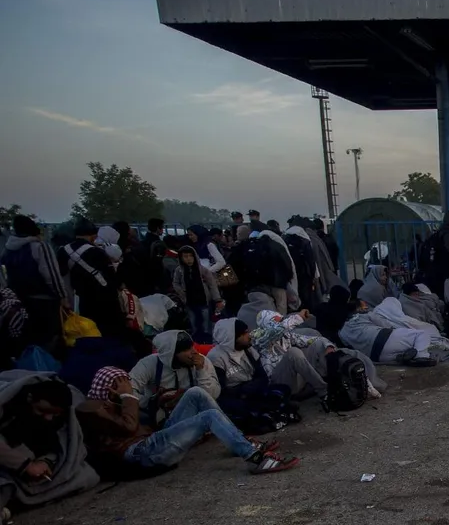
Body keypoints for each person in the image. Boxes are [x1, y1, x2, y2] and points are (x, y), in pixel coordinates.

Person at [77, 366, 297, 474]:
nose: (128, 386)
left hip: (151, 441)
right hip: (142, 453)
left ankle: (239, 441)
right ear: (109, 388)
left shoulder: (113, 403)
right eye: (121, 382)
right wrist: (127, 397)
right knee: (208, 417)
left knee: (195, 393)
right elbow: (130, 426)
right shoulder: (94, 409)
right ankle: (254, 459)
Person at [0, 373, 100, 509]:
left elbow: (62, 444)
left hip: (35, 464)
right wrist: (26, 465)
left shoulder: (58, 417)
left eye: (54, 414)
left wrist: (45, 461)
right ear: (30, 399)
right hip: (9, 465)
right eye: (42, 411)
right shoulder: (9, 403)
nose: (48, 418)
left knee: (88, 476)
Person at [2, 214, 69, 354]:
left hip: (17, 303)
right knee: (48, 342)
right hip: (43, 302)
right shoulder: (39, 246)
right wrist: (63, 297)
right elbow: (51, 275)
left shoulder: (8, 249)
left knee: (25, 342)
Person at [129, 330, 222, 426]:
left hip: (196, 417)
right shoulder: (150, 363)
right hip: (164, 420)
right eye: (187, 349)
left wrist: (201, 371)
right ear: (171, 354)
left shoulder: (201, 362)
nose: (194, 352)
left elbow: (212, 396)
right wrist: (151, 402)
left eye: (192, 346)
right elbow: (129, 389)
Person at [57, 219, 125, 342]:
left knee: (88, 332)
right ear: (93, 235)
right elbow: (112, 277)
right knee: (109, 334)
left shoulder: (63, 251)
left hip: (81, 299)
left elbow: (61, 277)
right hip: (105, 298)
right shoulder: (97, 252)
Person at [339, 304, 437, 366]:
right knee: (421, 334)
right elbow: (386, 325)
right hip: (384, 338)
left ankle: (406, 357)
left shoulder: (341, 333)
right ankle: (421, 356)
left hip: (376, 357)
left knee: (404, 351)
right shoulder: (362, 316)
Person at [171, 246, 223, 343]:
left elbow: (212, 284)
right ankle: (197, 344)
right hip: (189, 302)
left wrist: (217, 299)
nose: (188, 259)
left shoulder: (202, 270)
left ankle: (208, 343)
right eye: (185, 256)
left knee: (206, 325)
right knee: (194, 324)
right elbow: (175, 283)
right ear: (181, 258)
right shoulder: (179, 270)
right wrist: (182, 293)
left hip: (203, 301)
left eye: (191, 256)